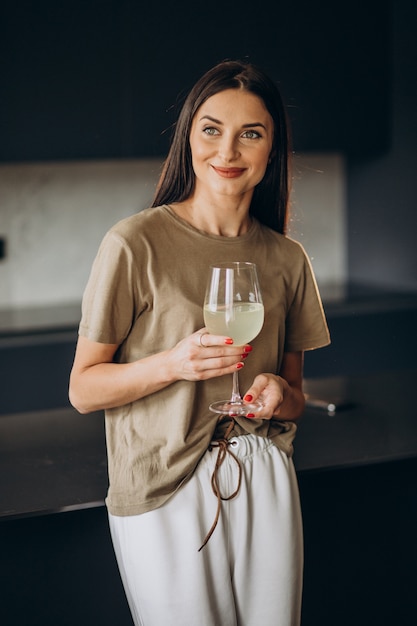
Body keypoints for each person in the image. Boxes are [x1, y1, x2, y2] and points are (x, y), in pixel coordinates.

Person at [69, 60, 330, 626]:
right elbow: (84, 390)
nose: (228, 150)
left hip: (262, 473)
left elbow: (297, 400)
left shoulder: (288, 259)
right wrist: (172, 364)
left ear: (272, 148)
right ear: (189, 138)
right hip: (161, 482)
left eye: (251, 134)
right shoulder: (134, 243)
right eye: (211, 129)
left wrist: (276, 396)